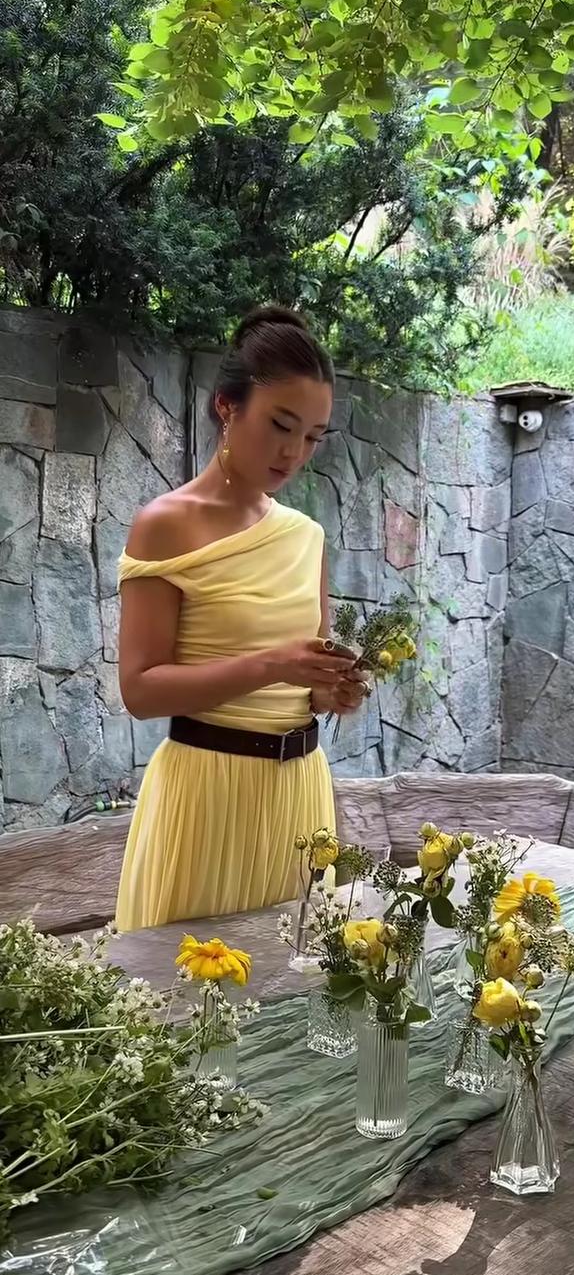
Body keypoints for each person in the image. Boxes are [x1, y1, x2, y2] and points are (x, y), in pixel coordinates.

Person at [115, 305, 364, 932]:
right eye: (281, 424)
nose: (294, 452)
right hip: (205, 795)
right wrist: (274, 664)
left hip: (301, 799)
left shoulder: (306, 536)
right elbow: (140, 690)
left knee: (303, 984)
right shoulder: (165, 524)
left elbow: (308, 686)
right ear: (228, 407)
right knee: (188, 987)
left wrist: (333, 690)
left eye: (313, 436)